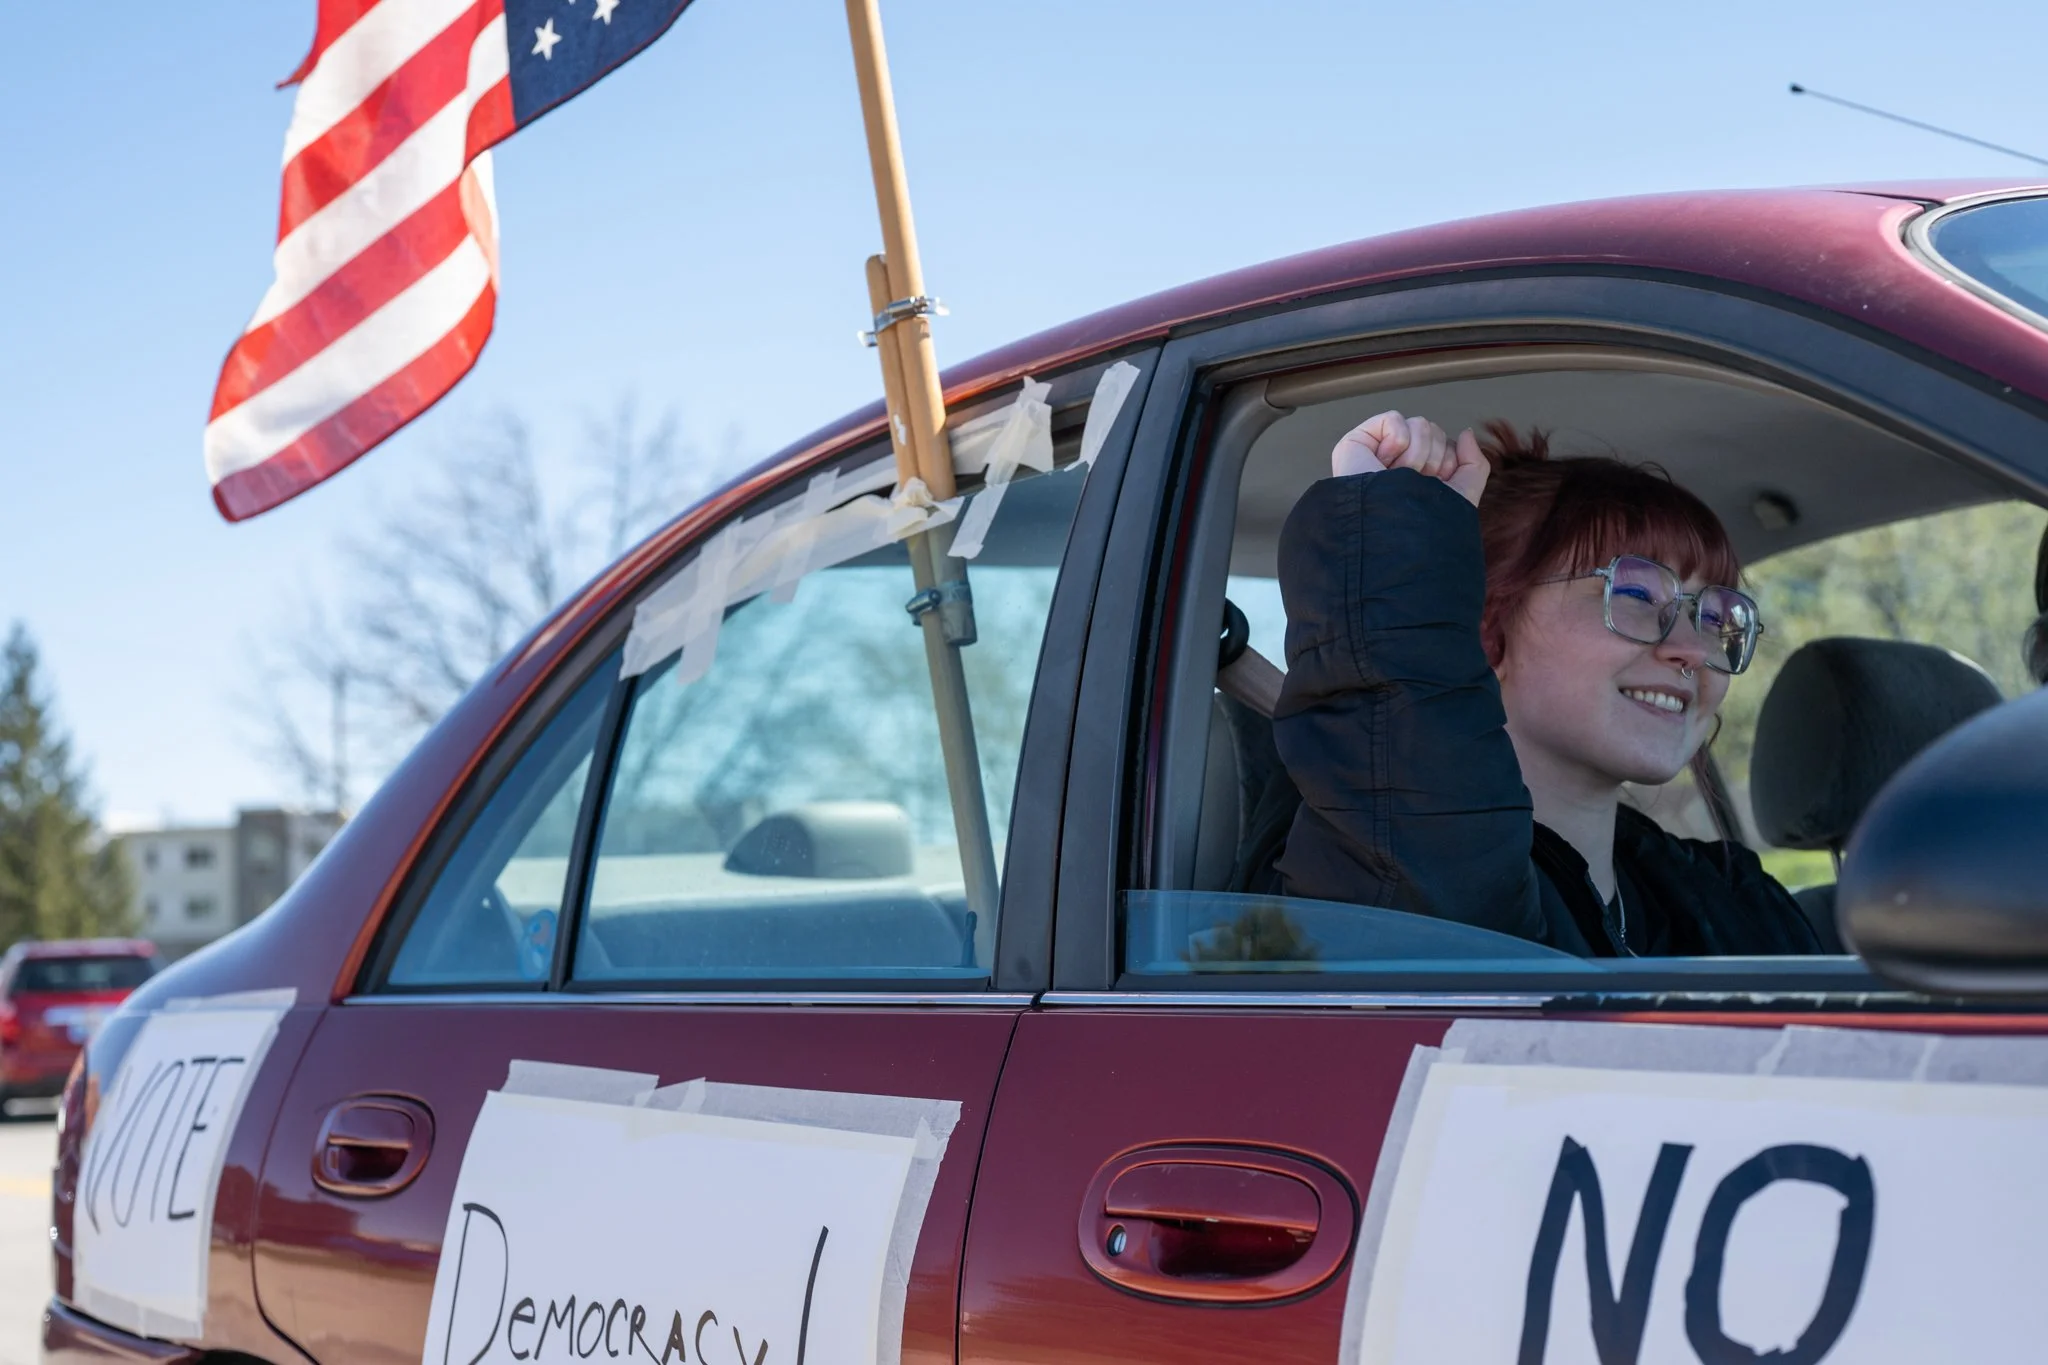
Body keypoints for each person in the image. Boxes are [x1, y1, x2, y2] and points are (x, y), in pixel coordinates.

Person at [1266, 410, 1819, 956]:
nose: (1694, 650)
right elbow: (1422, 837)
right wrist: (1393, 535)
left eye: (1715, 616)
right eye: (1634, 594)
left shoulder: (1739, 906)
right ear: (1488, 629)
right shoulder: (1406, 874)